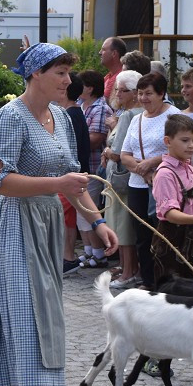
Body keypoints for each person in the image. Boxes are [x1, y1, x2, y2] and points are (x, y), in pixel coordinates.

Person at [0, 43, 118, 386]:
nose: (68, 81)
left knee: (9, 314)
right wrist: (57, 187)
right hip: (15, 224)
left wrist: (98, 221)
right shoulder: (9, 117)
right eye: (60, 72)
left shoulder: (59, 117)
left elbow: (72, 179)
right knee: (38, 316)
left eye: (69, 73)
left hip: (47, 225)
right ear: (35, 73)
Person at [120, 72, 182, 289]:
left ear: (161, 94)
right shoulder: (137, 119)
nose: (143, 98)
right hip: (138, 184)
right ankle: (148, 282)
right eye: (140, 93)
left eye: (149, 94)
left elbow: (182, 150)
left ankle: (168, 283)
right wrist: (141, 169)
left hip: (164, 184)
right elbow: (124, 154)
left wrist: (153, 162)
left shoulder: (173, 117)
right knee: (142, 237)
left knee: (164, 235)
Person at [151, 115, 193, 283]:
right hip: (171, 238)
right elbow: (170, 213)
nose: (191, 145)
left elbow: (190, 204)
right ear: (168, 141)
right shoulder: (165, 174)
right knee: (173, 291)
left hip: (192, 237)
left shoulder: (191, 170)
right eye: (185, 140)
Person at [101, 70, 141, 288]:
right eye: (117, 89)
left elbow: (118, 152)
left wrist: (107, 151)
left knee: (123, 227)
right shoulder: (129, 113)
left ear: (135, 93)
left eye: (123, 90)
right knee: (122, 225)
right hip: (125, 178)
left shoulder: (127, 116)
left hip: (121, 178)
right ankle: (127, 269)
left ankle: (128, 272)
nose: (118, 93)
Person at [76, 70, 113, 268]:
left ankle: (99, 254)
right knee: (80, 213)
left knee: (90, 210)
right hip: (82, 167)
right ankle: (89, 251)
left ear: (89, 87)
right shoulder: (82, 106)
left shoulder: (100, 108)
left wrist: (72, 143)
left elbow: (95, 138)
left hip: (93, 166)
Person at [58, 77, 91, 275]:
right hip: (75, 173)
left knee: (63, 217)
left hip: (71, 175)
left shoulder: (69, 114)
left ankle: (67, 256)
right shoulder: (74, 112)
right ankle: (67, 257)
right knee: (68, 219)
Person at [98, 36, 127, 101]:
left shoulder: (121, 78)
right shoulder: (108, 77)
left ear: (114, 53)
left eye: (103, 50)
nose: (100, 52)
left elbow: (103, 102)